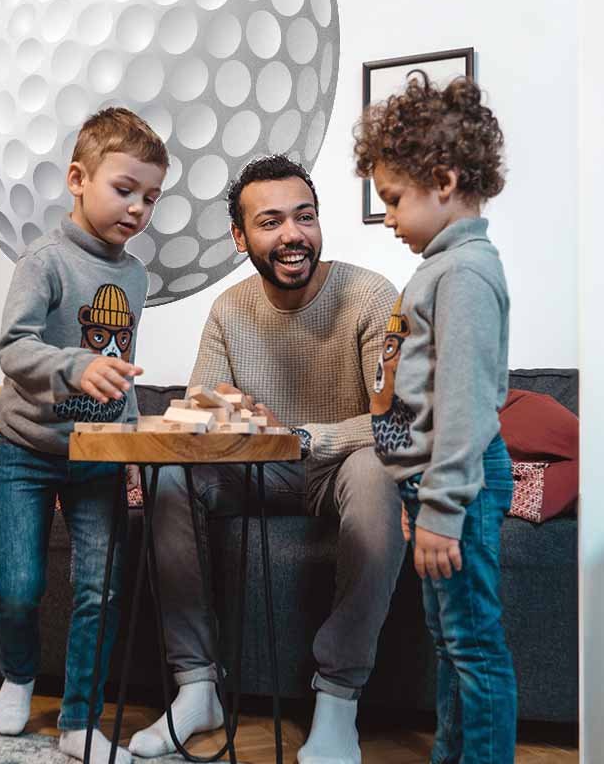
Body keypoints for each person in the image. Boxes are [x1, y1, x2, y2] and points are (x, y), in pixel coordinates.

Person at [128, 155, 405, 764]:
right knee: (171, 474)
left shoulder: (369, 296)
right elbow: (199, 417)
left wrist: (301, 438)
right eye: (271, 221)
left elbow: (393, 423)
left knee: (377, 471)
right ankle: (197, 687)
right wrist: (220, 409)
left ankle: (338, 700)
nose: (291, 236)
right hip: (257, 471)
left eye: (304, 217)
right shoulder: (229, 311)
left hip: (339, 469)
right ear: (240, 237)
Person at [0, 107, 168, 763]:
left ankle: (78, 723)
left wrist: (128, 430)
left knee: (102, 588)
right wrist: (74, 367)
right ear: (77, 178)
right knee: (16, 584)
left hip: (100, 458)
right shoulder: (43, 264)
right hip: (28, 454)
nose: (138, 208)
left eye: (150, 197)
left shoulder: (136, 277)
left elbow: (117, 364)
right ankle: (17, 673)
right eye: (125, 189)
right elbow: (13, 349)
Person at [353, 71, 517, 764]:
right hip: (433, 490)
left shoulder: (465, 274)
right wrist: (413, 496)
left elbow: (466, 403)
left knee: (473, 646)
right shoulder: (439, 268)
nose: (387, 216)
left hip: (462, 486)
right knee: (450, 643)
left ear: (443, 180)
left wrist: (444, 508)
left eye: (393, 199)